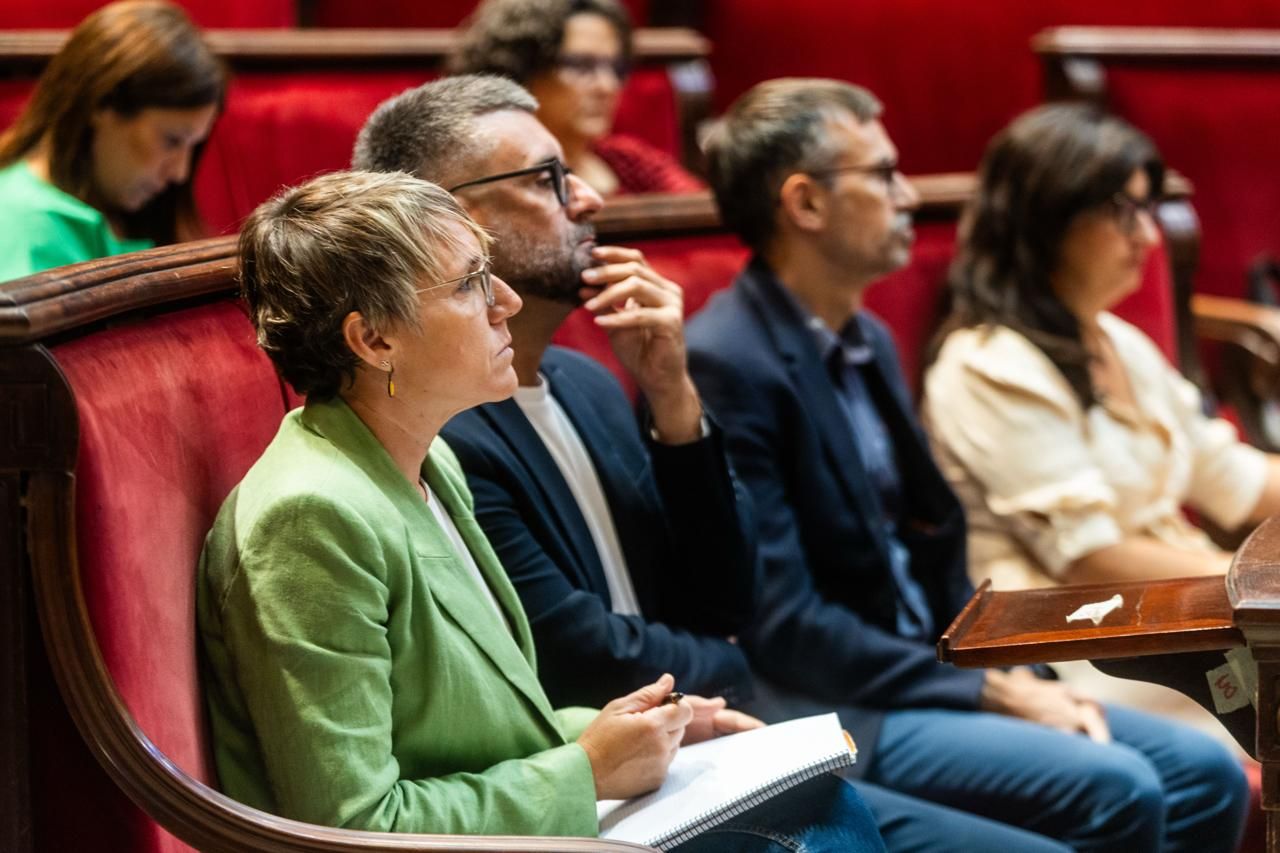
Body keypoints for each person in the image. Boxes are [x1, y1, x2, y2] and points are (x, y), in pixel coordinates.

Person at [198, 168, 882, 852]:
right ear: (374, 340)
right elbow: (352, 826)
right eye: (469, 283)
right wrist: (587, 768)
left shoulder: (429, 461)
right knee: (818, 833)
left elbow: (479, 730)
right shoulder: (310, 516)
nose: (506, 300)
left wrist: (640, 729)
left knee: (823, 803)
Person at [684, 78, 1250, 852]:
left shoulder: (865, 336)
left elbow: (933, 545)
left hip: (937, 665)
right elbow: (786, 622)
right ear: (806, 204)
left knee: (1204, 774)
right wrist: (984, 688)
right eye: (882, 175)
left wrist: (1007, 677)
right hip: (839, 701)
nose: (908, 194)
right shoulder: (730, 360)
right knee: (1121, 785)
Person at [924, 103, 1280, 592]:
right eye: (1123, 211)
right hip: (1074, 636)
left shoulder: (1117, 340)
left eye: (1147, 210)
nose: (1149, 237)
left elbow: (1229, 475)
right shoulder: (986, 366)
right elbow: (1091, 559)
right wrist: (1262, 579)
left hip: (1173, 604)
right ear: (1047, 218)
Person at [0, 0, 224, 282]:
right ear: (102, 105)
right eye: (172, 141)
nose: (179, 173)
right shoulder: (20, 229)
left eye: (193, 146)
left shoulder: (122, 210)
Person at [452, 0, 700, 196]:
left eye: (616, 68)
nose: (607, 85)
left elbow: (706, 218)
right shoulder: (486, 179)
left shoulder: (626, 161)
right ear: (520, 72)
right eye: (581, 66)